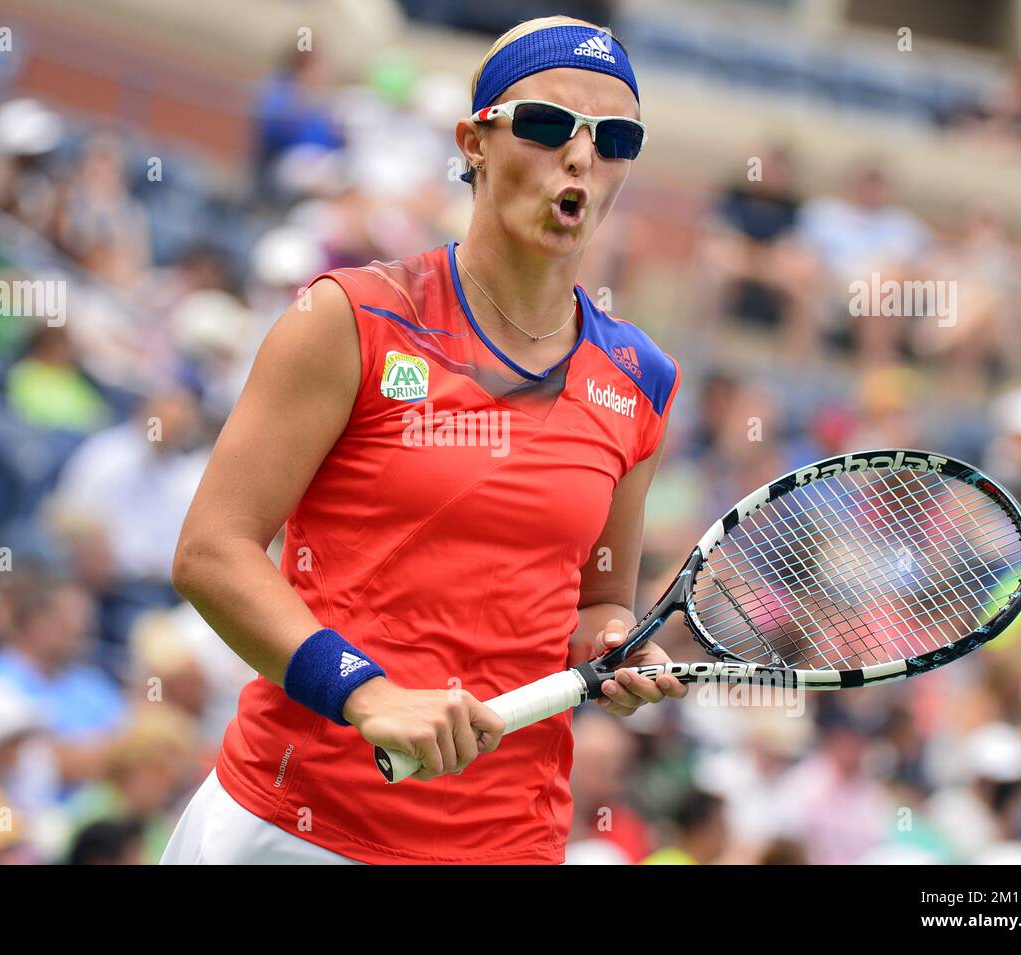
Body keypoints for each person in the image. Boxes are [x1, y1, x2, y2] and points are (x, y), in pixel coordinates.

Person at [165, 16, 686, 865]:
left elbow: (596, 602)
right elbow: (211, 552)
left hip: (506, 842)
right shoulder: (349, 317)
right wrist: (365, 694)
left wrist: (611, 647)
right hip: (293, 826)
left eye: (615, 138)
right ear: (473, 141)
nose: (581, 158)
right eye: (548, 124)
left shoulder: (640, 376)